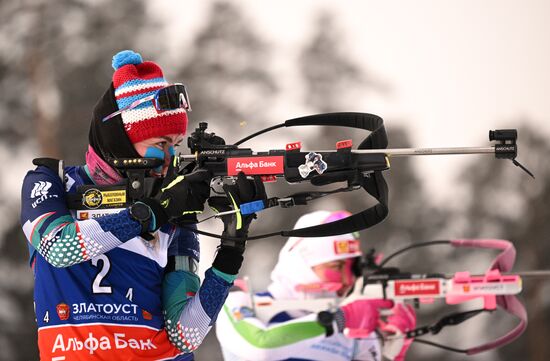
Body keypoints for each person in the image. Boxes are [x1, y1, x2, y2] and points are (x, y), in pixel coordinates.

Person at [20, 50, 265, 360]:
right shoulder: (52, 182)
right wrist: (152, 213)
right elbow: (59, 248)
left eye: (175, 145)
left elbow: (185, 334)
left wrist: (231, 250)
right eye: (160, 144)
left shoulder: (174, 211)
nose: (170, 159)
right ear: (119, 137)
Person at [215, 210, 416, 361]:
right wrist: (339, 319)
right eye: (336, 266)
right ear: (301, 263)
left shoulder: (351, 330)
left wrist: (388, 350)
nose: (347, 280)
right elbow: (261, 346)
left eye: (352, 269)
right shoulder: (239, 302)